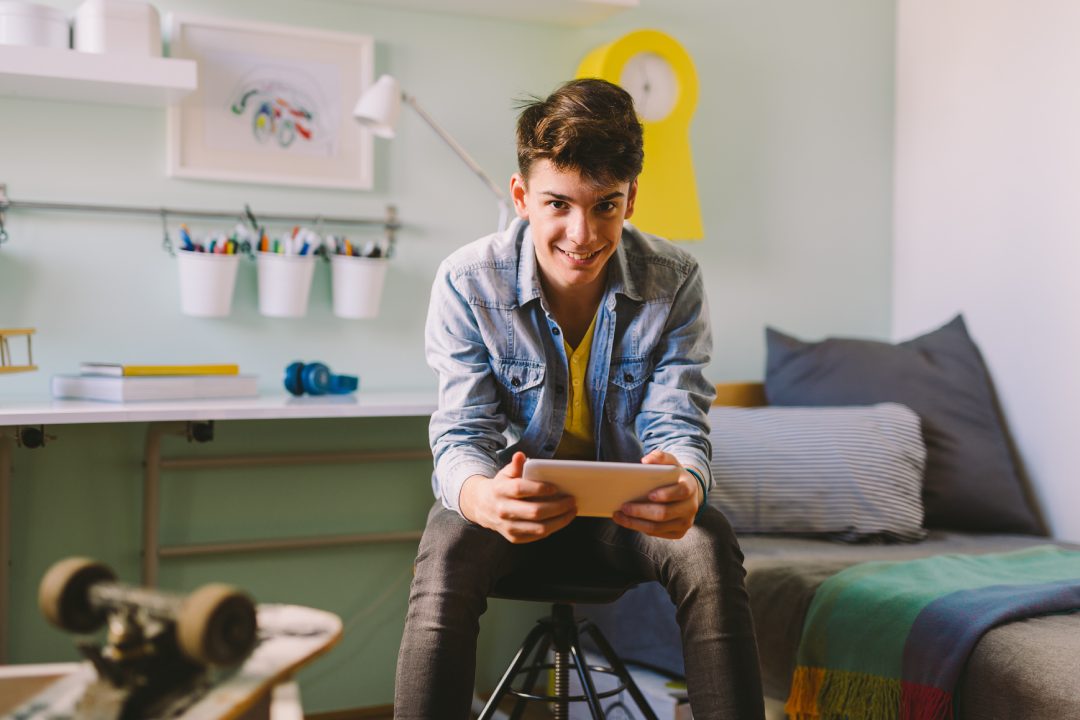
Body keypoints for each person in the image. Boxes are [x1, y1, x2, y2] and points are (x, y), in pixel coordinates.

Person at [394, 78, 765, 720]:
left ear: (631, 198)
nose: (582, 233)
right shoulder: (466, 281)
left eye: (606, 206)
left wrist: (687, 484)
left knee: (707, 543)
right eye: (558, 204)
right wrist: (482, 496)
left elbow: (679, 422)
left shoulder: (675, 282)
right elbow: (462, 435)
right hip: (509, 519)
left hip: (624, 525)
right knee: (448, 545)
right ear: (521, 197)